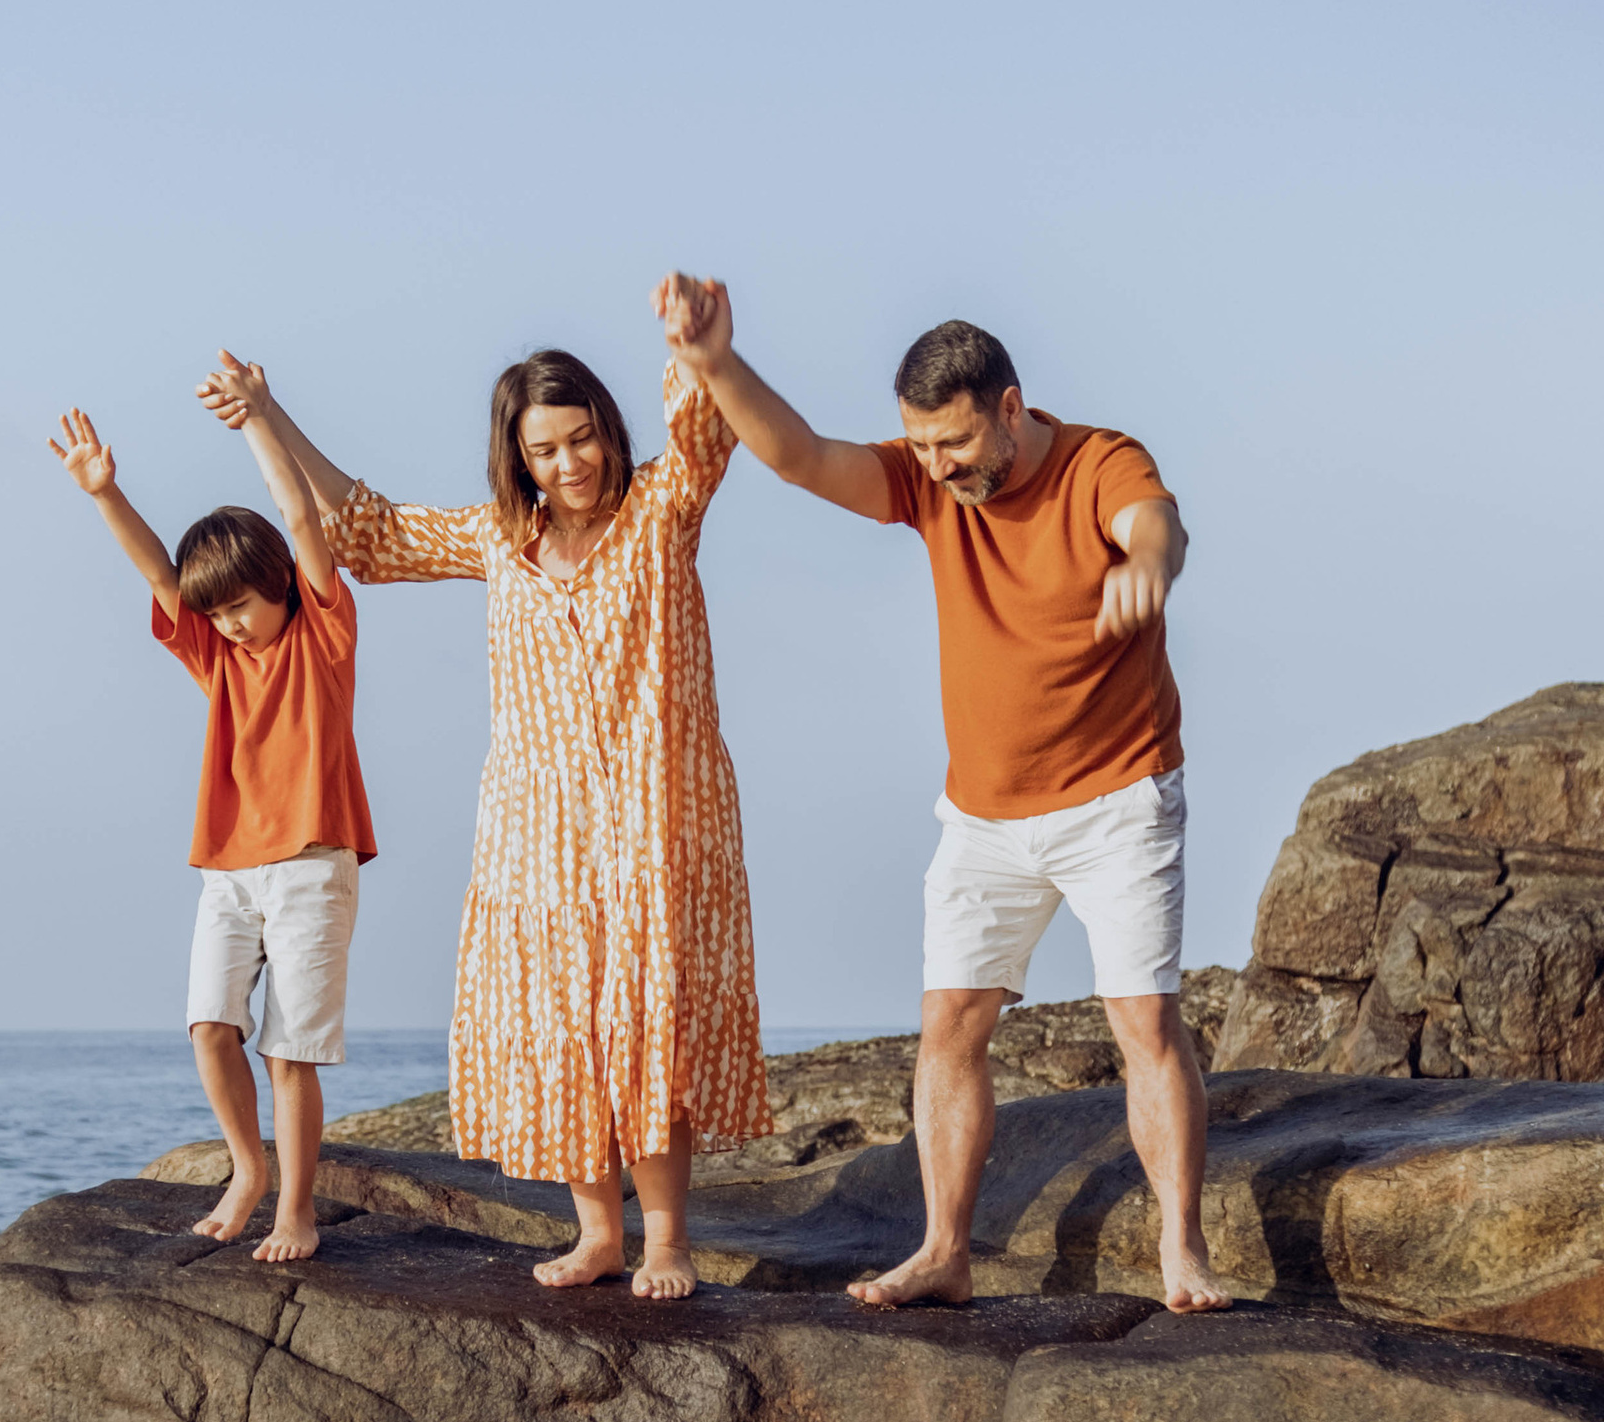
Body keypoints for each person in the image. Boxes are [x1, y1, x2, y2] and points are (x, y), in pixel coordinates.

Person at [656, 283, 1228, 1315]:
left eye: (955, 443)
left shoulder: (1100, 459)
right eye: (921, 447)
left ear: (1010, 409)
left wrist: (1145, 566)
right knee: (949, 1028)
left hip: (1118, 798)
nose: (937, 467)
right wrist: (713, 361)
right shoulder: (924, 484)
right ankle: (944, 1252)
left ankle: (1182, 1253)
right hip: (983, 813)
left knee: (1143, 1019)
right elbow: (795, 454)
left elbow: (1154, 523)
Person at [195, 293, 770, 1301]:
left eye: (583, 438)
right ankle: (598, 1234)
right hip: (537, 831)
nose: (569, 464)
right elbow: (369, 533)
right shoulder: (499, 541)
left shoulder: (661, 509)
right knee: (564, 1024)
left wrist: (698, 349)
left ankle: (667, 1238)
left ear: (609, 432)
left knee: (647, 1017)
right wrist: (267, 415)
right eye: (544, 449)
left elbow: (704, 431)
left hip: (655, 817)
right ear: (518, 458)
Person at [48, 406, 374, 1265]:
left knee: (289, 1051)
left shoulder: (323, 635)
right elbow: (160, 572)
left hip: (311, 864)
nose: (230, 624)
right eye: (216, 613)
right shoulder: (216, 659)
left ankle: (296, 1208)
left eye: (240, 605)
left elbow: (301, 518)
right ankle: (246, 1171)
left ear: (279, 585)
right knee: (208, 1025)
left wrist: (259, 420)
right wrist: (105, 492)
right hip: (229, 870)